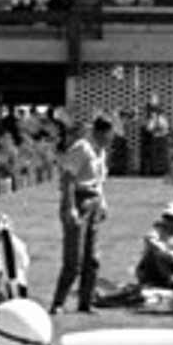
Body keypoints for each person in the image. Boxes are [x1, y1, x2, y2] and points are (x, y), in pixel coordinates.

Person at [50, 114, 114, 315]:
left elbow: (99, 182)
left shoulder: (101, 152)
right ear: (98, 132)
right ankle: (58, 303)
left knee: (92, 258)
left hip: (93, 201)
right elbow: (68, 178)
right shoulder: (82, 149)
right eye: (107, 135)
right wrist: (69, 207)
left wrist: (102, 203)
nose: (109, 139)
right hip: (78, 199)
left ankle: (85, 302)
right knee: (73, 259)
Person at [136, 201, 173, 289]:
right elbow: (151, 240)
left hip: (172, 266)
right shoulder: (157, 230)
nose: (171, 221)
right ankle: (171, 280)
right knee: (160, 255)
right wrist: (169, 254)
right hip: (150, 271)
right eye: (168, 218)